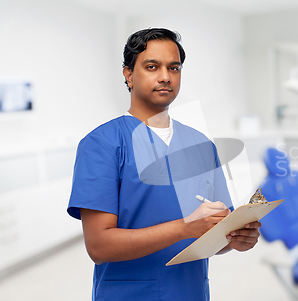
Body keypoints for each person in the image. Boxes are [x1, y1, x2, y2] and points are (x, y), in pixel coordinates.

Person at [67, 28, 261, 301]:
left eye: (174, 67)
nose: (165, 76)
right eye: (151, 66)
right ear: (129, 74)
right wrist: (184, 228)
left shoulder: (201, 145)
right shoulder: (102, 144)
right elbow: (99, 246)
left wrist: (236, 239)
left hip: (191, 292)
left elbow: (213, 235)